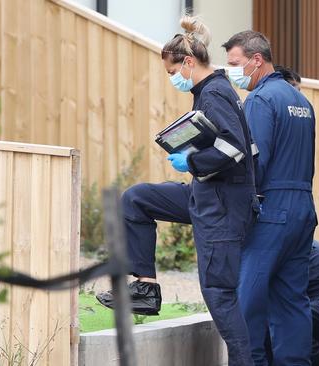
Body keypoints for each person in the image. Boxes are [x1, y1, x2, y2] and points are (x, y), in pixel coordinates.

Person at [96, 16, 257, 366]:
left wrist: (193, 162)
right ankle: (146, 289)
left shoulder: (215, 93)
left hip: (222, 208)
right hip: (207, 196)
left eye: (171, 73)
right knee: (136, 200)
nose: (172, 79)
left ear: (187, 62)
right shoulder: (208, 92)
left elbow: (235, 150)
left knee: (220, 296)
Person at [223, 31, 318, 366]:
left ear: (256, 59)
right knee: (292, 301)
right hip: (303, 208)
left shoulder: (260, 100)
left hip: (271, 211)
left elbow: (254, 162)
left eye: (235, 64)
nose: (231, 71)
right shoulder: (301, 101)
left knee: (247, 301)